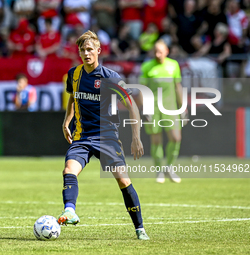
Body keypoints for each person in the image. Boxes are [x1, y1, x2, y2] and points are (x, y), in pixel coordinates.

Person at [57, 30, 149, 240]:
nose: (86, 53)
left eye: (90, 49)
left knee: (123, 181)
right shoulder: (74, 74)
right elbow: (73, 98)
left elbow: (132, 106)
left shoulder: (111, 77)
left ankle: (140, 228)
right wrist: (66, 121)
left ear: (99, 51)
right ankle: (69, 210)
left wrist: (136, 137)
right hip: (82, 136)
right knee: (68, 170)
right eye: (83, 50)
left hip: (107, 137)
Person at [139, 39, 187, 183]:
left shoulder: (173, 65)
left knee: (176, 138)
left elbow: (178, 86)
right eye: (155, 51)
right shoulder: (147, 66)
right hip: (153, 108)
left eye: (160, 51)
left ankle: (170, 168)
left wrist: (183, 105)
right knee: (156, 140)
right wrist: (145, 108)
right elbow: (142, 89)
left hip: (170, 107)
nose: (157, 54)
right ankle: (159, 171)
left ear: (167, 51)